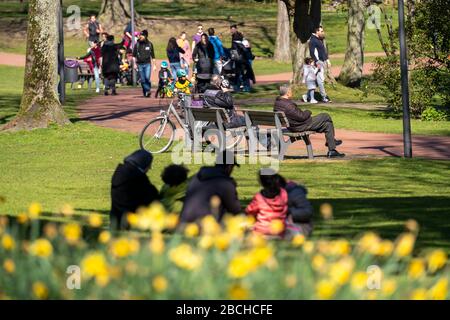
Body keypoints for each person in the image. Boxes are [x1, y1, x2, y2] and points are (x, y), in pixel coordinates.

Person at [274, 85, 345, 158]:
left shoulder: (277, 103)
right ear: (288, 93)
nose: (292, 92)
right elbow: (302, 117)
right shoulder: (288, 105)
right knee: (325, 115)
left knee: (327, 124)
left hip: (293, 126)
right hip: (301, 126)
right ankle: (332, 141)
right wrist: (308, 111)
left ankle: (332, 150)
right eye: (291, 91)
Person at [180, 150, 241, 223]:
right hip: (205, 226)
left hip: (184, 222)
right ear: (229, 166)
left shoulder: (197, 176)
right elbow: (235, 209)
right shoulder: (226, 183)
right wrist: (233, 189)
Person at [110, 150, 159, 230]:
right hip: (130, 220)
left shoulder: (121, 171)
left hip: (116, 218)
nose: (149, 168)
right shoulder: (137, 176)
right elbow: (152, 196)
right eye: (148, 165)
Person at [245, 168, 288, 238]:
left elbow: (249, 211)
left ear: (261, 182)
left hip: (262, 230)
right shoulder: (283, 193)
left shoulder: (259, 197)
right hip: (279, 229)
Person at [309, 26, 332, 103]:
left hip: (322, 62)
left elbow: (323, 52)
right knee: (320, 80)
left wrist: (327, 61)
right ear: (317, 32)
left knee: (317, 81)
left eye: (323, 31)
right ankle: (324, 97)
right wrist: (317, 62)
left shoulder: (319, 40)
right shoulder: (313, 40)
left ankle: (307, 96)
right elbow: (312, 53)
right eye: (321, 31)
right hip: (318, 63)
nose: (323, 32)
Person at [133, 30, 156, 97]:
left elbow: (153, 56)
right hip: (139, 64)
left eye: (142, 35)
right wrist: (134, 64)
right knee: (143, 80)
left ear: (146, 36)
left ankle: (147, 91)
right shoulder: (137, 44)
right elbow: (134, 56)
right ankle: (146, 91)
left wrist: (154, 65)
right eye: (140, 35)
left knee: (147, 78)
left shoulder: (150, 44)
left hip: (147, 64)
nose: (141, 36)